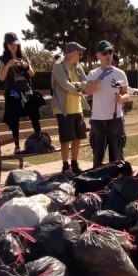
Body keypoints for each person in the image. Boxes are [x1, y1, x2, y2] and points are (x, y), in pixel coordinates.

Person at [86, 40, 129, 168]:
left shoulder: (120, 73)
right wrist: (102, 76)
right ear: (98, 55)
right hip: (98, 121)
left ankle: (117, 185)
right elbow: (88, 91)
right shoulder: (93, 74)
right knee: (97, 158)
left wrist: (122, 98)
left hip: (116, 120)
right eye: (105, 52)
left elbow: (127, 95)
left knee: (117, 159)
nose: (108, 55)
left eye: (110, 52)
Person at [0, 32, 42, 154]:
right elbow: (1, 77)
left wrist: (26, 65)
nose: (13, 46)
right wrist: (8, 65)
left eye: (15, 43)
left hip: (26, 91)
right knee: (14, 118)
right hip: (12, 93)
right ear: (6, 44)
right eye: (10, 44)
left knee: (34, 114)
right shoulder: (2, 59)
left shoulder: (23, 56)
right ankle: (17, 146)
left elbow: (32, 74)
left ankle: (40, 139)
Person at [51, 42, 90, 176]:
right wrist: (78, 87)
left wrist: (77, 86)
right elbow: (64, 85)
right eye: (79, 52)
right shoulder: (57, 66)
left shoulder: (78, 67)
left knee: (78, 138)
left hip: (78, 108)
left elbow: (87, 83)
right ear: (70, 53)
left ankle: (74, 164)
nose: (81, 55)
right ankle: (65, 166)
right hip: (64, 110)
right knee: (66, 139)